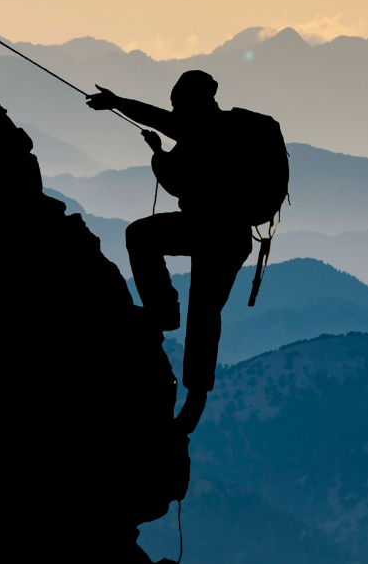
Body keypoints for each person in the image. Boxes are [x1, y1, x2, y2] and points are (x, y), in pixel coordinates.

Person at [86, 70, 252, 434]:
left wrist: (152, 147)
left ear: (192, 101)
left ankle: (162, 312)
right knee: (206, 312)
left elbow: (173, 171)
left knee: (140, 237)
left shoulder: (199, 129)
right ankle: (194, 404)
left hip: (207, 230)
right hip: (232, 237)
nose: (175, 110)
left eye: (179, 103)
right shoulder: (228, 130)